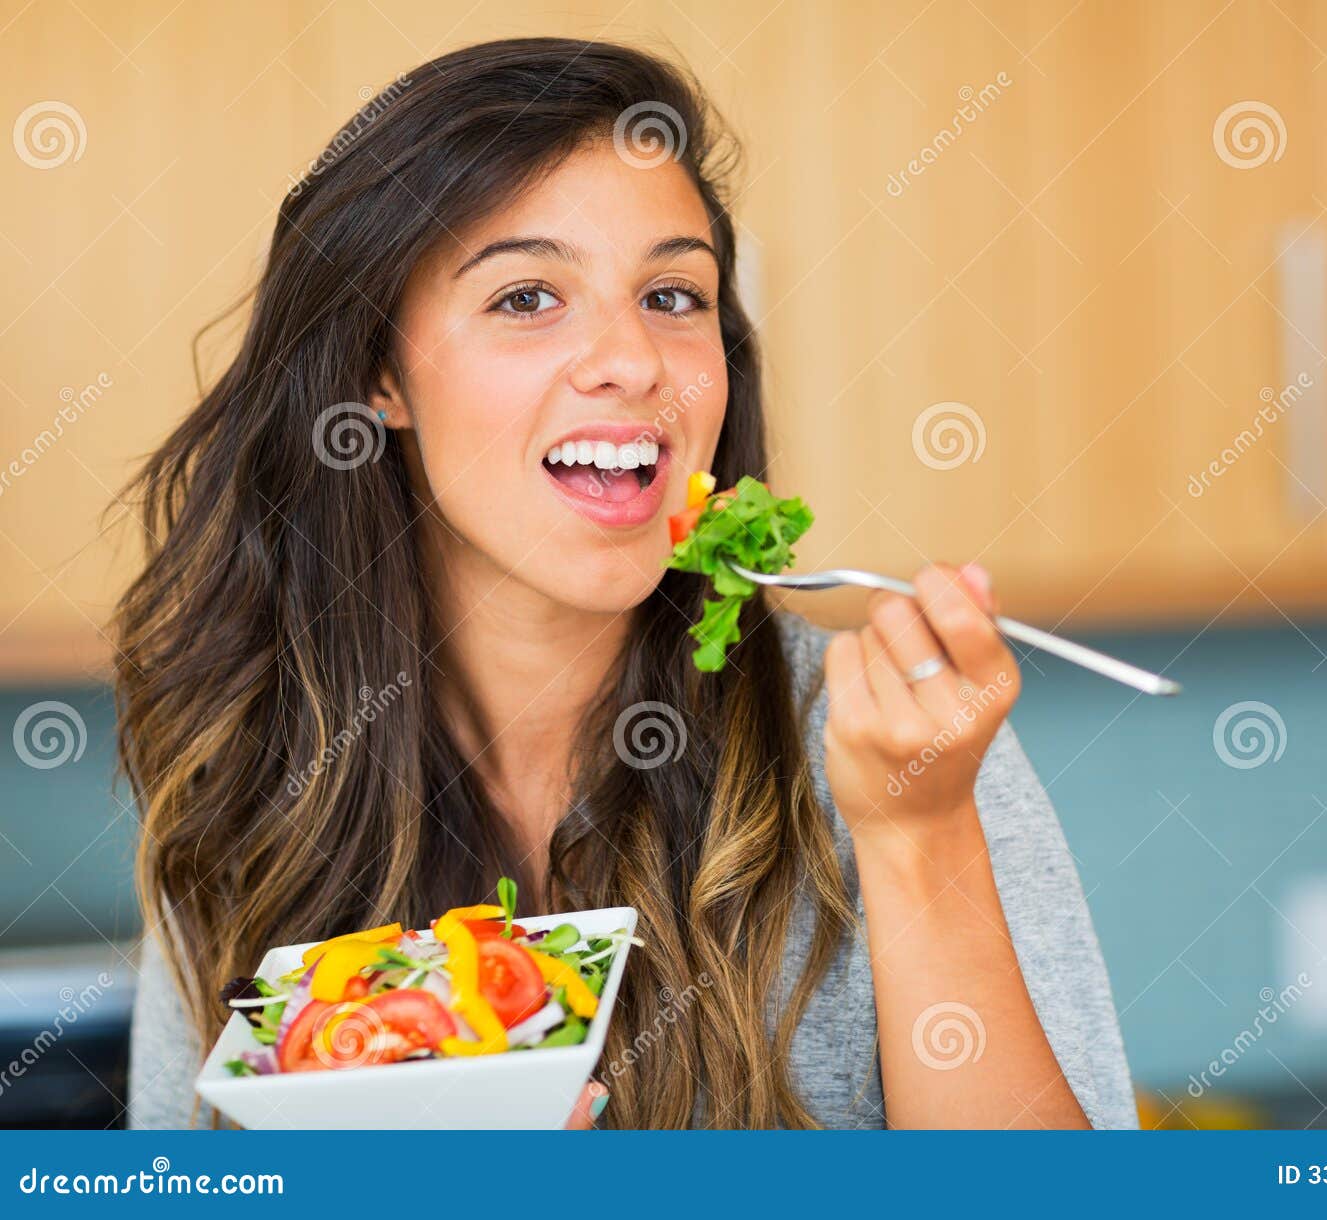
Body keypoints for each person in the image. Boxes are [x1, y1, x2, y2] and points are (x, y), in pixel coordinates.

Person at [117, 37, 1135, 1130]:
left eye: (671, 293)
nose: (633, 359)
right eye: (525, 297)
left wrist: (918, 836)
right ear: (379, 374)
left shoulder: (890, 748)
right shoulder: (255, 790)